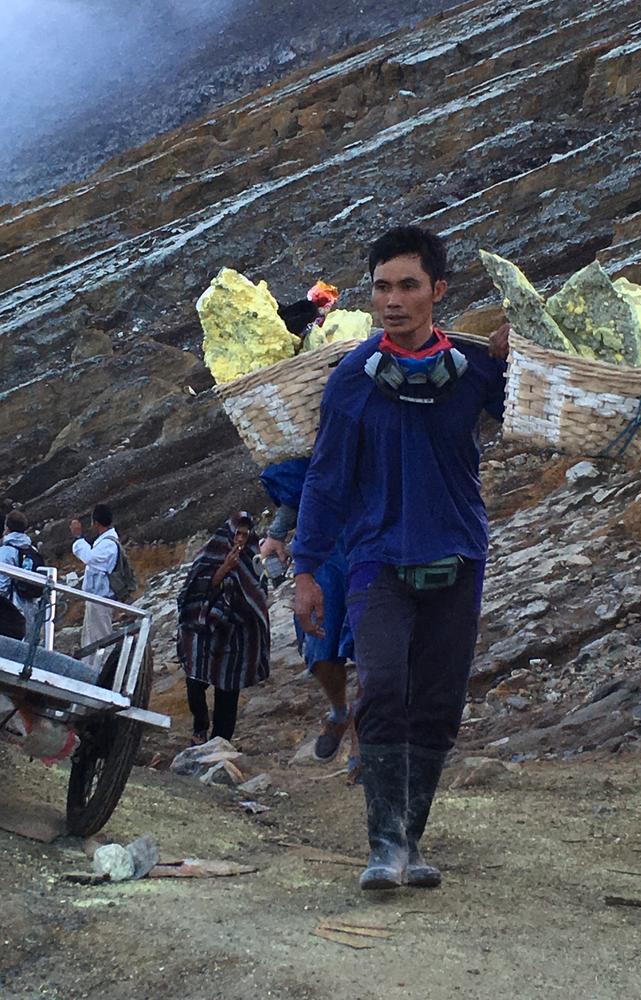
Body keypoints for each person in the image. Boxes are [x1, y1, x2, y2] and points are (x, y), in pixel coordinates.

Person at [293, 226, 509, 891]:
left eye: (408, 285)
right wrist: (305, 569)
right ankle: (383, 847)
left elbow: (527, 411)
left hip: (458, 554)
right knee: (384, 688)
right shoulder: (351, 384)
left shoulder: (474, 373)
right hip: (376, 561)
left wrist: (518, 358)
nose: (393, 300)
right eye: (382, 286)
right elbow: (326, 481)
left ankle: (411, 843)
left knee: (440, 704)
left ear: (437, 291)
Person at [259, 459, 358, 772]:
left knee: (374, 644)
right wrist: (276, 532)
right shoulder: (322, 424)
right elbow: (305, 476)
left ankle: (362, 740)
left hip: (375, 535)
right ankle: (340, 711)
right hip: (324, 547)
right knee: (319, 650)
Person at [177, 511, 270, 745]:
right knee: (195, 679)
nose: (240, 539)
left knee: (228, 688)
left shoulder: (254, 559)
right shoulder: (211, 553)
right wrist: (225, 568)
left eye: (244, 535)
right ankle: (200, 727)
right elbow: (194, 588)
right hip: (206, 629)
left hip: (236, 634)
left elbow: (259, 593)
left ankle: (220, 740)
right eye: (237, 533)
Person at [70, 504, 120, 661]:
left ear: (96, 523)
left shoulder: (108, 544)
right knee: (92, 637)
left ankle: (103, 671)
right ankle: (89, 669)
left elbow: (90, 558)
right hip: (96, 597)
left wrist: (78, 538)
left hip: (101, 598)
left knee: (101, 637)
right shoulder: (105, 542)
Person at [0, 510, 42, 638]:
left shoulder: (5, 551)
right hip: (30, 606)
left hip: (11, 609)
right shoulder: (31, 550)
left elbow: (2, 584)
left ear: (7, 528)